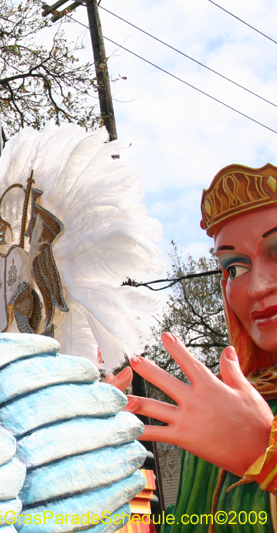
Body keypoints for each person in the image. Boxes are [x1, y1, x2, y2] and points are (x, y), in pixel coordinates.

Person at [125, 163, 277, 532]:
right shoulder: (228, 413)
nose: (256, 288)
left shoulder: (239, 423)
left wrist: (266, 456)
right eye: (235, 268)